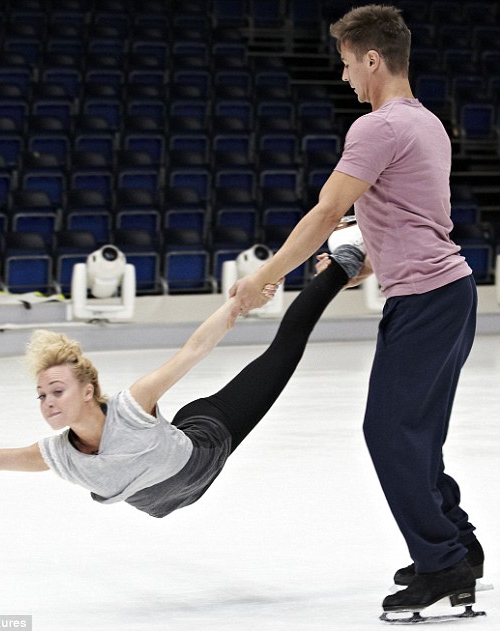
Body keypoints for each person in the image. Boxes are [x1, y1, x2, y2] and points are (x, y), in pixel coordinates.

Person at [230, 3, 483, 617]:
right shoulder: (426, 122)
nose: (344, 77)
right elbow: (416, 212)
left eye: (347, 64)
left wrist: (263, 277)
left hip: (425, 300)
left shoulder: (377, 128)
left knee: (389, 433)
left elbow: (325, 213)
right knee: (416, 433)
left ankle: (443, 563)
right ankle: (458, 544)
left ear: (373, 59)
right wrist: (373, 259)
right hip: (449, 292)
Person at [0, 238, 365, 519]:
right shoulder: (60, 455)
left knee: (283, 352)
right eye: (41, 395)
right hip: (174, 485)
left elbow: (194, 349)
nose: (47, 402)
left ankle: (340, 265)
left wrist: (238, 302)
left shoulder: (132, 405)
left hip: (208, 437)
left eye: (57, 390)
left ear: (89, 391)